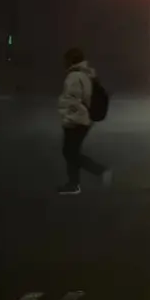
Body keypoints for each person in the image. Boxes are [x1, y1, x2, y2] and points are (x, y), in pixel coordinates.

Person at [57, 47, 111, 195]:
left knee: (70, 152)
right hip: (82, 119)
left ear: (71, 60)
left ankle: (98, 172)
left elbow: (73, 100)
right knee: (72, 152)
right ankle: (74, 184)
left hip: (77, 120)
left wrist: (69, 118)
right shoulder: (85, 75)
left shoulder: (75, 77)